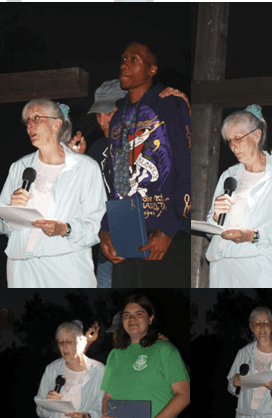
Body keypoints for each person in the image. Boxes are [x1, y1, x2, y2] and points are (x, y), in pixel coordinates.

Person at [99, 42, 192, 288]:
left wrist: (170, 228)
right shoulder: (118, 116)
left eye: (134, 59)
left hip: (165, 234)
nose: (124, 63)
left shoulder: (170, 104)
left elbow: (187, 168)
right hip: (126, 229)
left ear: (152, 69)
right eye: (122, 58)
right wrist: (106, 229)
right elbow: (117, 179)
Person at [0, 99, 105, 287]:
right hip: (21, 267)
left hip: (66, 266)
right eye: (27, 121)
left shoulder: (86, 167)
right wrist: (13, 211)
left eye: (36, 118)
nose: (30, 125)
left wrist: (65, 229)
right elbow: (0, 225)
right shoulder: (19, 167)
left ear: (57, 124)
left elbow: (96, 224)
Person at [206, 105, 272, 287]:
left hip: (261, 270)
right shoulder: (228, 175)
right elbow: (210, 229)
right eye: (229, 141)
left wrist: (253, 236)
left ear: (257, 135)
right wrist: (214, 217)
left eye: (237, 139)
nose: (232, 146)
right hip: (221, 267)